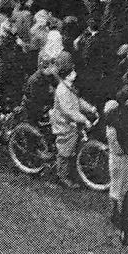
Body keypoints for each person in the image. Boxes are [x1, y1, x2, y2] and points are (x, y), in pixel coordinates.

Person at [49, 56, 98, 189]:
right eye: (72, 72)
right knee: (65, 150)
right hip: (64, 123)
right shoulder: (62, 90)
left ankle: (69, 169)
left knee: (72, 145)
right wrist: (84, 119)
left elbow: (78, 101)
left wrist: (91, 108)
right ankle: (62, 177)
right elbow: (68, 111)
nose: (75, 74)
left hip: (71, 121)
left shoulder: (68, 86)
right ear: (67, 76)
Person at [105, 98, 128, 226]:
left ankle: (117, 213)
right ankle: (117, 215)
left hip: (117, 159)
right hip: (120, 160)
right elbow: (121, 148)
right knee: (121, 187)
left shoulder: (111, 127)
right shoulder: (115, 129)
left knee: (119, 186)